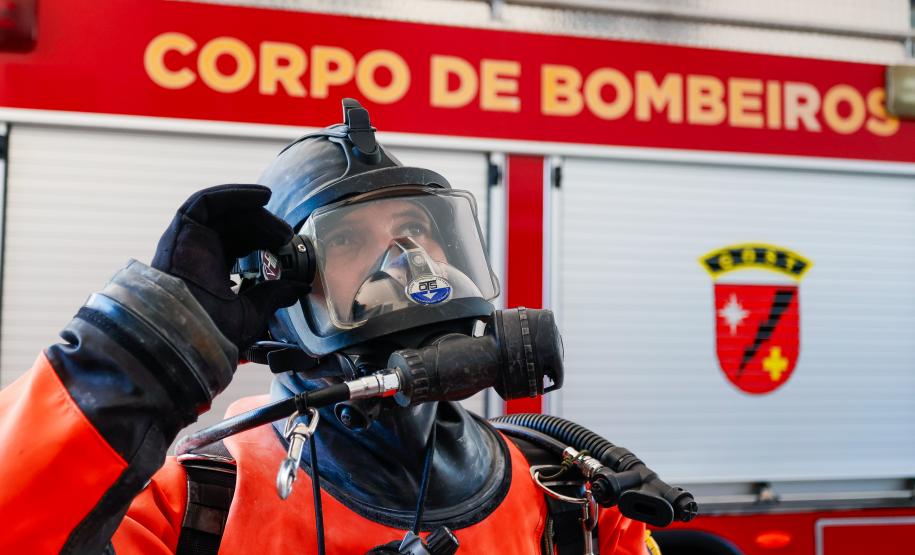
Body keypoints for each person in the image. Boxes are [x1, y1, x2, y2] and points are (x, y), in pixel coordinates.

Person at [0, 99, 653, 554]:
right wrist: (143, 349)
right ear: (284, 299)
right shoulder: (193, 501)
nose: (405, 264)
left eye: (417, 231)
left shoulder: (570, 495)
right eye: (349, 243)